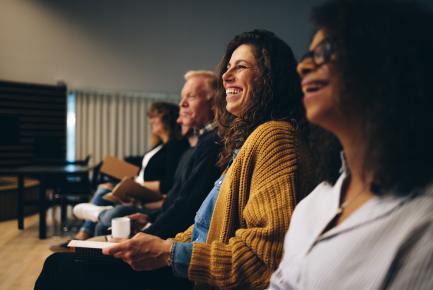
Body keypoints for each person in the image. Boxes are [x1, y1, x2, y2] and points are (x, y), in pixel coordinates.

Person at [35, 30, 316, 290]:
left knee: (60, 270)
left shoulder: (275, 137)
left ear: (270, 77)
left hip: (198, 279)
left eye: (240, 66)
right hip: (189, 267)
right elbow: (204, 228)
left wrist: (167, 252)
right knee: (64, 265)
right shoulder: (248, 141)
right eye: (227, 67)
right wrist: (161, 243)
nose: (226, 76)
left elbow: (264, 262)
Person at [269, 1, 433, 289]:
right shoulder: (315, 201)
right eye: (309, 54)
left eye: (328, 51)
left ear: (390, 63)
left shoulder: (422, 222)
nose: (303, 65)